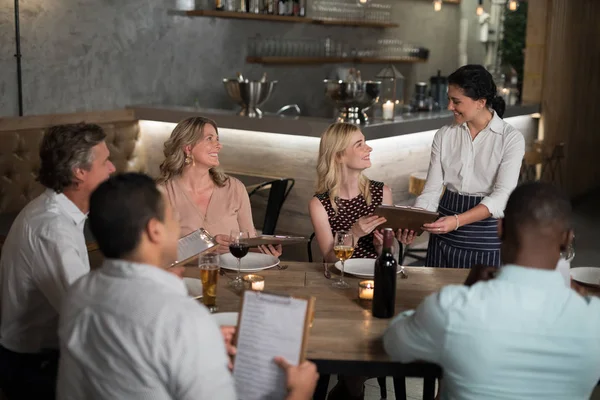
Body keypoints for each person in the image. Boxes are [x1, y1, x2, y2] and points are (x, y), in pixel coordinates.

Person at [57, 173, 319, 400]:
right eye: (173, 217)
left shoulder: (79, 293)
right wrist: (300, 392)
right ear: (154, 231)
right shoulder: (184, 320)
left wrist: (201, 345)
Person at [384, 182, 600, 399]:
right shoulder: (594, 319)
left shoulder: (453, 308)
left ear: (500, 228)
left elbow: (394, 343)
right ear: (567, 238)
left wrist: (465, 293)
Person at [0, 123, 116, 399]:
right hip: (32, 366)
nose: (112, 168)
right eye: (106, 161)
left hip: (48, 355)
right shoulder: (52, 229)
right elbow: (85, 316)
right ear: (79, 172)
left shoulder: (60, 210)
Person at [414, 64, 525, 268]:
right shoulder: (444, 135)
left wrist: (457, 221)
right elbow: (431, 191)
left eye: (456, 101)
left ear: (481, 102)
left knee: (480, 297)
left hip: (485, 233)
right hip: (444, 229)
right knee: (437, 296)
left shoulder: (511, 139)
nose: (449, 107)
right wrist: (413, 222)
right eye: (449, 99)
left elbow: (502, 196)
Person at [157, 116, 281, 256]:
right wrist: (208, 245)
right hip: (185, 277)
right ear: (188, 147)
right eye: (209, 139)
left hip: (231, 277)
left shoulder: (235, 188)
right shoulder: (162, 193)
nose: (219, 145)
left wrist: (264, 251)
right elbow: (156, 253)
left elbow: (247, 243)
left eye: (217, 139)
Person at [309, 122, 414, 263]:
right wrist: (355, 234)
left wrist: (381, 246)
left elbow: (390, 251)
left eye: (365, 142)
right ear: (339, 156)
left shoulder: (383, 192)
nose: (369, 148)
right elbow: (329, 259)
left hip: (374, 275)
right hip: (339, 277)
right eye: (359, 144)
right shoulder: (319, 204)